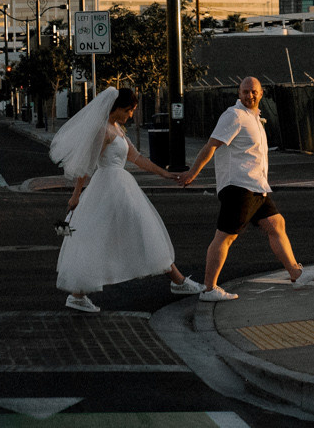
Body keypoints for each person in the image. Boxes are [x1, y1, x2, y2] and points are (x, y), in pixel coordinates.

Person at [50, 87, 206, 314]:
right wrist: (76, 195)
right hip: (108, 187)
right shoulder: (102, 131)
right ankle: (78, 295)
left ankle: (177, 280)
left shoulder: (117, 129)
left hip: (121, 186)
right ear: (116, 108)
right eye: (128, 110)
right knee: (112, 234)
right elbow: (86, 165)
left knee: (137, 229)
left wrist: (165, 174)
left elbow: (136, 157)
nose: (131, 115)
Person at [179, 76, 314, 301]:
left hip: (256, 186)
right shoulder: (234, 116)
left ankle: (296, 274)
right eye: (245, 91)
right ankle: (209, 289)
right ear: (239, 93)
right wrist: (192, 173)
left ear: (261, 93)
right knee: (225, 237)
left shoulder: (254, 118)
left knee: (276, 224)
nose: (250, 95)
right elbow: (211, 146)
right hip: (239, 188)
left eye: (254, 91)